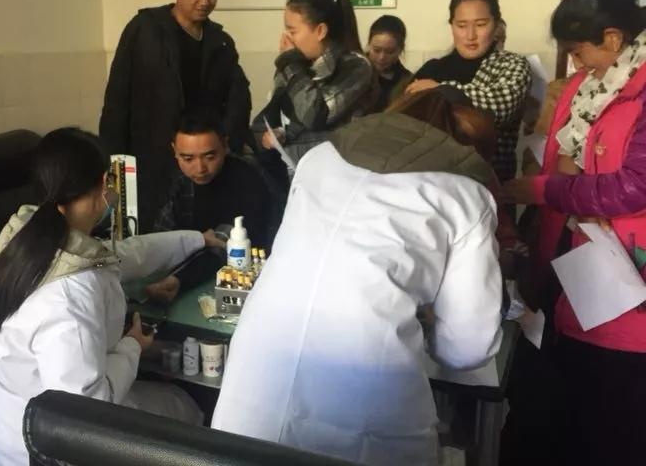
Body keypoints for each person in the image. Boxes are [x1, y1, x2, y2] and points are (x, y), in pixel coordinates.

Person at [213, 90, 503, 466]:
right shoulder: (465, 196)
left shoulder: (319, 158)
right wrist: (429, 321)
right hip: (364, 401)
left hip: (257, 375)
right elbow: (467, 348)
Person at [0, 127, 207, 466]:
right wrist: (132, 345)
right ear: (102, 184)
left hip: (2, 435)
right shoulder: (68, 295)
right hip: (46, 449)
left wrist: (197, 239)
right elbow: (88, 409)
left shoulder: (24, 240)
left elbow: (125, 256)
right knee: (183, 406)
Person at [502, 0, 646, 464]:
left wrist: (546, 190)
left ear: (612, 38)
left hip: (625, 277)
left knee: (614, 415)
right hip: (574, 260)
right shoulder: (590, 88)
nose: (577, 64)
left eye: (580, 51)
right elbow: (564, 157)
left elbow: (635, 186)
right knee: (564, 401)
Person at [99, 0, 252, 234]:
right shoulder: (144, 30)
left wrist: (225, 145)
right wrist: (112, 164)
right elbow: (116, 101)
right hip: (150, 160)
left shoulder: (220, 41)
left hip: (199, 165)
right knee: (146, 236)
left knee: (198, 236)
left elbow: (239, 98)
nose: (205, 1)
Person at [408, 0, 531, 181]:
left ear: (496, 24)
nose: (471, 35)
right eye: (461, 25)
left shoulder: (511, 64)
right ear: (452, 26)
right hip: (432, 180)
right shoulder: (433, 68)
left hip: (488, 182)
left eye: (481, 24)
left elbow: (499, 105)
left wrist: (440, 89)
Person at [150, 110, 275, 300]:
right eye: (188, 158)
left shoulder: (247, 178)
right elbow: (160, 237)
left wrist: (180, 278)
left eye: (209, 157)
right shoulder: (173, 179)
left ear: (225, 145)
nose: (200, 168)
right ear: (175, 151)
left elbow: (227, 246)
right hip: (180, 274)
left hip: (241, 280)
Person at [253, 0, 373, 165]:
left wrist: (291, 64)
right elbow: (276, 112)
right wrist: (274, 134)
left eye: (292, 31)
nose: (286, 39)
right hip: (290, 168)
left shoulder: (355, 66)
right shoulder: (294, 63)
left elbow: (314, 116)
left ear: (320, 31)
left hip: (332, 170)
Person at [365, 15, 412, 113]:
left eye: (389, 52)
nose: (381, 57)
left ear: (400, 50)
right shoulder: (355, 72)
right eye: (376, 50)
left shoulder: (406, 81)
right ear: (369, 45)